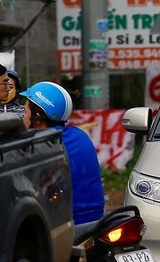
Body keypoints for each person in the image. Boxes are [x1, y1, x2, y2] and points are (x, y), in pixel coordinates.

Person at [20, 81, 105, 226]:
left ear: (37, 116)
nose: (22, 113)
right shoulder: (80, 135)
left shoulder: (40, 145)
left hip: (66, 223)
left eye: (26, 110)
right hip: (96, 218)